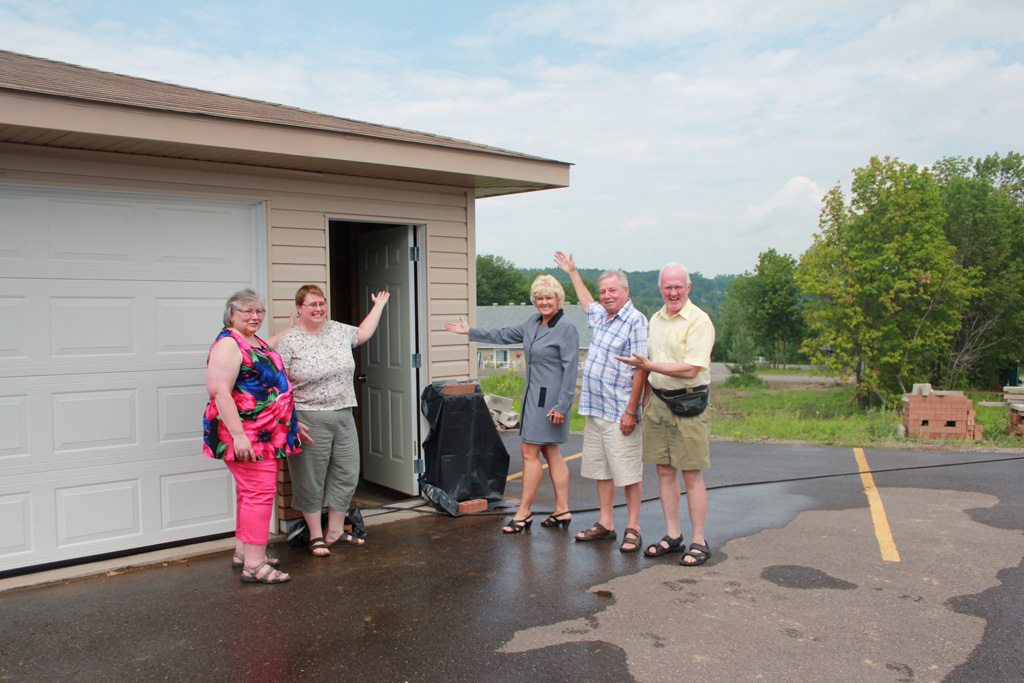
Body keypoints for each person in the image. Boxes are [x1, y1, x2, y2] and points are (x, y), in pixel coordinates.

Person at [446, 274, 579, 534]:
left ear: (558, 299)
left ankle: (524, 512)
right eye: (539, 298)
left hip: (550, 401)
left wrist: (562, 406)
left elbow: (571, 369)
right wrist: (470, 331)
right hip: (533, 397)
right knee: (551, 452)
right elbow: (503, 335)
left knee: (529, 452)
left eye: (548, 297)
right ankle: (562, 510)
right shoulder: (533, 323)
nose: (544, 302)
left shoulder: (567, 328)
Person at [275, 284, 389, 557]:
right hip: (308, 417)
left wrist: (379, 306)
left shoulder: (337, 330)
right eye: (311, 304)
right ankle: (316, 535)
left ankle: (335, 531)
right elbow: (281, 386)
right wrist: (290, 420)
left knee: (347, 472)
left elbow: (363, 333)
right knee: (310, 478)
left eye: (321, 303)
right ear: (299, 309)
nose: (318, 308)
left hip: (344, 413)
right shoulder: (290, 340)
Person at [616, 263, 715, 566]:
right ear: (660, 288)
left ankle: (699, 540)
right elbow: (649, 369)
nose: (673, 292)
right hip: (658, 402)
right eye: (667, 287)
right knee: (664, 470)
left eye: (678, 287)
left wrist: (648, 367)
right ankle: (674, 535)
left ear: (688, 287)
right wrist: (640, 406)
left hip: (689, 403)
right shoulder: (656, 320)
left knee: (691, 473)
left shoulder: (699, 321)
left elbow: (691, 368)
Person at [204, 288, 301, 584]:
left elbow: (262, 352)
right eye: (247, 311)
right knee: (259, 495)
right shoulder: (227, 344)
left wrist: (288, 330)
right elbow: (219, 391)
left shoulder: (251, 340)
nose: (255, 316)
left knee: (249, 494)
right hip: (248, 435)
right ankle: (255, 566)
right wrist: (239, 436)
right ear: (231, 313)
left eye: (259, 311)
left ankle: (244, 552)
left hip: (266, 432)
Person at [554, 252, 648, 553]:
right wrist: (572, 272)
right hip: (596, 409)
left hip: (620, 412)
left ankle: (633, 527)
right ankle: (606, 524)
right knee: (602, 470)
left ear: (626, 292)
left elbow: (641, 368)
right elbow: (586, 302)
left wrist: (631, 410)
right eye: (604, 291)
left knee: (628, 472)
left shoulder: (635, 321)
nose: (607, 296)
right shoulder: (603, 316)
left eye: (613, 290)